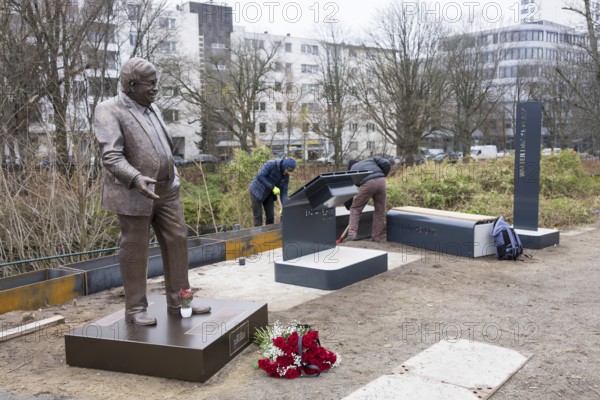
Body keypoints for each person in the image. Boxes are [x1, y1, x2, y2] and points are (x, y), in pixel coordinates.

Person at [94, 57, 210, 326]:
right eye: (151, 85)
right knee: (135, 248)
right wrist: (136, 178)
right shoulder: (108, 109)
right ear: (132, 85)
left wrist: (174, 175)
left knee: (178, 240)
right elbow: (111, 156)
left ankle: (181, 301)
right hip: (133, 192)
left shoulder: (152, 107)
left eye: (156, 84)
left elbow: (163, 148)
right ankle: (135, 310)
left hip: (167, 190)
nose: (155, 90)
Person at [346, 157, 391, 242]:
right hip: (382, 181)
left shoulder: (352, 171)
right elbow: (386, 162)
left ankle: (352, 234)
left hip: (368, 183)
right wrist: (383, 174)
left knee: (355, 209)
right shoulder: (369, 160)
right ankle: (376, 237)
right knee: (380, 211)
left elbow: (349, 192)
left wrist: (350, 206)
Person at [249, 157, 296, 226]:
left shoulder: (286, 176)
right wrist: (272, 187)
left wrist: (284, 206)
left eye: (291, 171)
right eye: (288, 170)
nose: (288, 173)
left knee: (270, 217)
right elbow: (260, 176)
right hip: (257, 191)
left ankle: (269, 235)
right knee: (258, 217)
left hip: (269, 194)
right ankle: (259, 236)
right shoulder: (271, 164)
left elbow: (284, 192)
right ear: (284, 166)